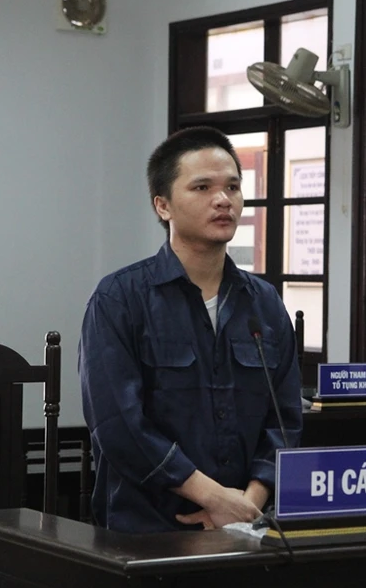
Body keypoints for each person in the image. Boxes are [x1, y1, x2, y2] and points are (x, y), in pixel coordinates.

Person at [79, 126, 303, 533]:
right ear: (163, 205)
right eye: (202, 187)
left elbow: (285, 419)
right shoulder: (119, 299)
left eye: (232, 187)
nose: (223, 200)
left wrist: (247, 503)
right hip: (147, 528)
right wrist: (213, 498)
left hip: (247, 525)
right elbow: (117, 424)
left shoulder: (264, 302)